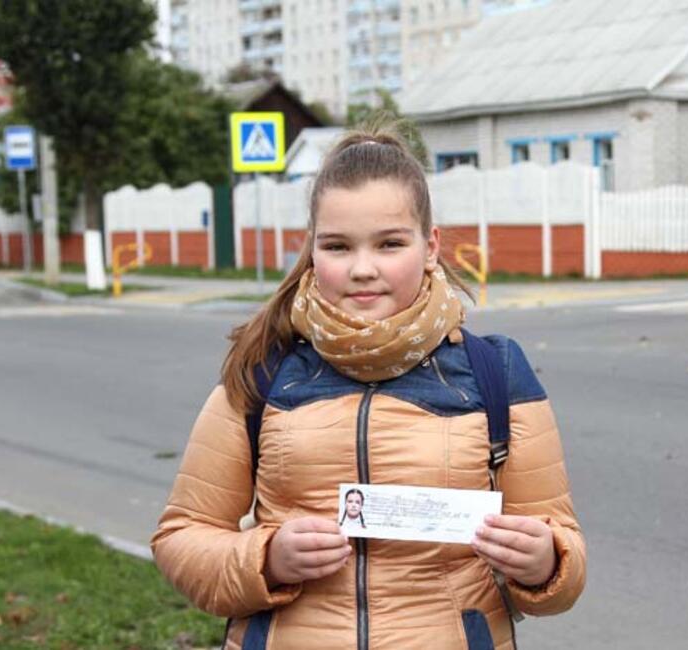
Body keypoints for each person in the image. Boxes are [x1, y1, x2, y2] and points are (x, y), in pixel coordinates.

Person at [151, 123, 586, 650]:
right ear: (312, 250)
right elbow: (182, 537)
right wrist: (265, 559)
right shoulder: (264, 370)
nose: (362, 269)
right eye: (338, 246)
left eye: (389, 244)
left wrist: (545, 563)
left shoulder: (496, 372)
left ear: (430, 247)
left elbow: (564, 559)